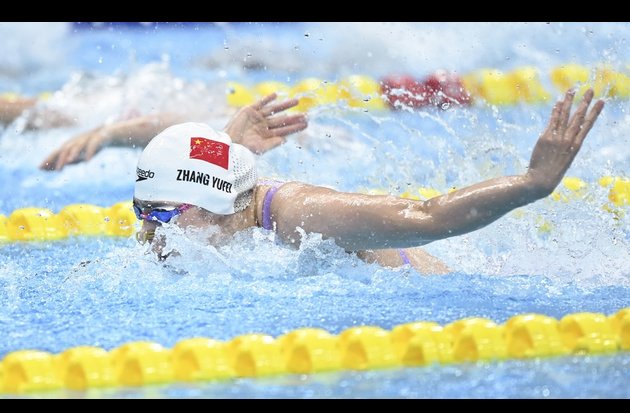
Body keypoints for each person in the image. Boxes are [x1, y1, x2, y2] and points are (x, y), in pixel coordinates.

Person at [132, 88, 604, 274]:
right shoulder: (230, 204)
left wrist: (533, 183)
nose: (150, 233)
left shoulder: (302, 215)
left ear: (218, 203)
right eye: (144, 212)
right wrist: (230, 144)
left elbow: (428, 215)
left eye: (163, 215)